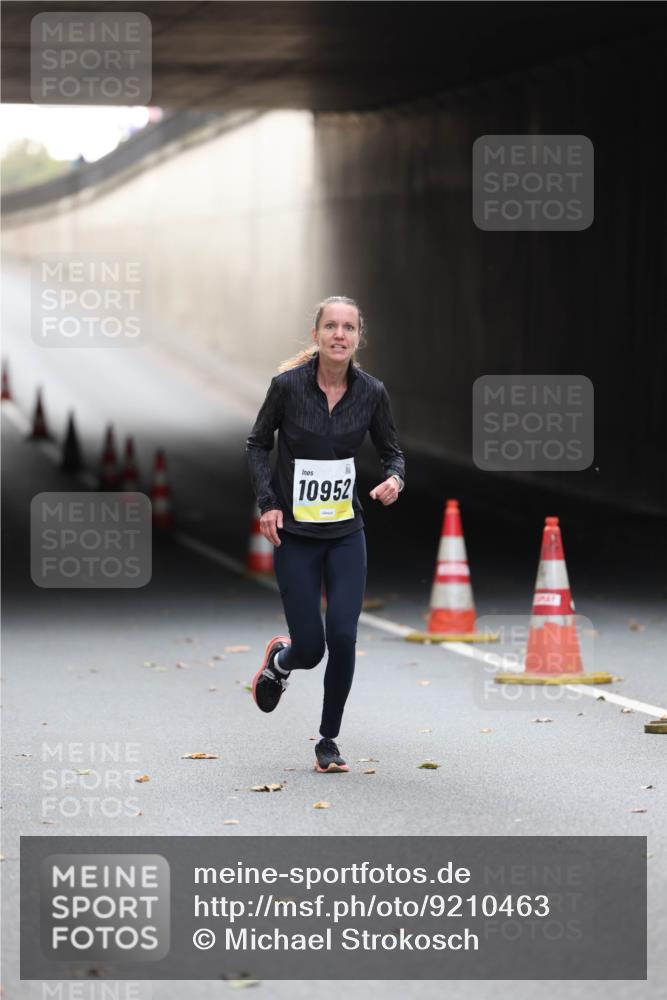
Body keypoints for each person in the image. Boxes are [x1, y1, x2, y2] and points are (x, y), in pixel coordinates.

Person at [245, 295, 405, 773]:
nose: (339, 335)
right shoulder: (287, 387)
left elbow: (392, 452)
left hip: (344, 533)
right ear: (316, 335)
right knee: (311, 649)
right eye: (331, 326)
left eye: (348, 328)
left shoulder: (371, 393)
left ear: (358, 337)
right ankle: (281, 661)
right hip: (295, 535)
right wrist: (269, 503)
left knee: (343, 635)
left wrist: (395, 479)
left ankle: (328, 741)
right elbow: (257, 444)